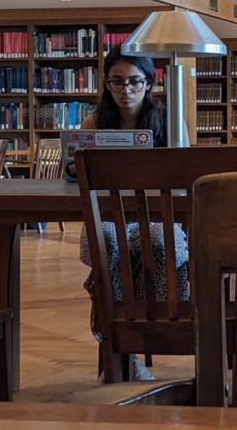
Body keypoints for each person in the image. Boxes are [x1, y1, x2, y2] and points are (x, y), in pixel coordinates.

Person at [78, 46, 180, 381]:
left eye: (135, 82)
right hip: (107, 219)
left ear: (149, 83)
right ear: (106, 84)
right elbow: (78, 176)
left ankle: (141, 337)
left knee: (154, 243)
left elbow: (186, 174)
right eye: (117, 82)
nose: (126, 90)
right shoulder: (94, 123)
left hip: (159, 218)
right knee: (106, 243)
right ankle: (120, 350)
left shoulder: (169, 120)